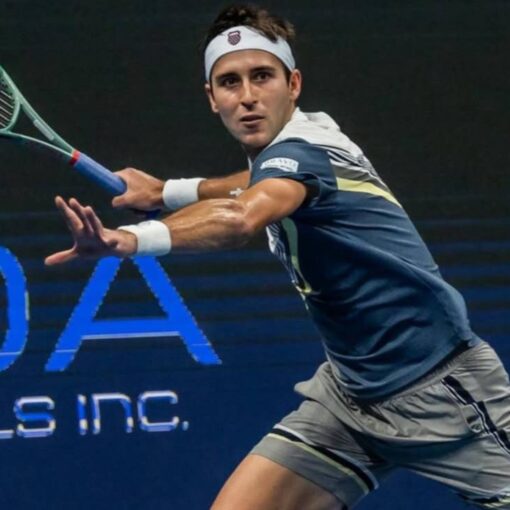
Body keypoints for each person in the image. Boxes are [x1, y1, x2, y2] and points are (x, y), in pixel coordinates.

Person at [46, 4, 510, 510]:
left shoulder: (305, 151)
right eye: (230, 82)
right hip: (349, 396)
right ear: (211, 97)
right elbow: (253, 180)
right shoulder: (307, 140)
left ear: (293, 84)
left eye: (262, 76)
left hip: (443, 392)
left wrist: (132, 239)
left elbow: (240, 216)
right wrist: (166, 191)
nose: (247, 96)